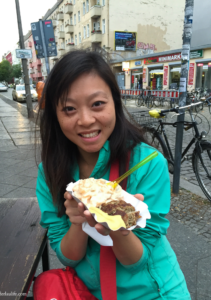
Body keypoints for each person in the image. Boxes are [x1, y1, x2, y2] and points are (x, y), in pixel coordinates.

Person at [35, 50, 191, 299]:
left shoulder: (148, 164)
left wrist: (118, 226)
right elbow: (67, 257)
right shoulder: (50, 171)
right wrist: (77, 222)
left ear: (115, 102)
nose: (85, 120)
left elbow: (137, 261)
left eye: (97, 104)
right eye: (69, 108)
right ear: (55, 115)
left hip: (156, 291)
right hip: (91, 292)